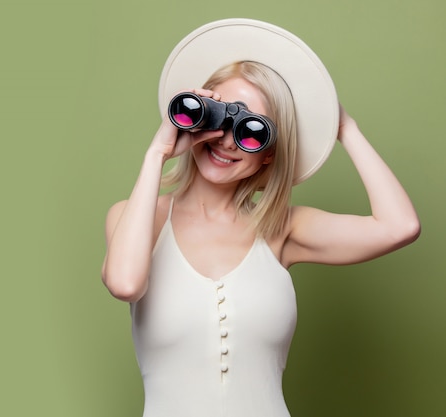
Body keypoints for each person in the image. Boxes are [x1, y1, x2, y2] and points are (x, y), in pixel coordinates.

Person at [101, 19, 420, 417]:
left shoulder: (282, 229)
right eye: (218, 117)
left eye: (251, 130)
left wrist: (343, 126)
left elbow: (400, 226)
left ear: (268, 152)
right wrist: (157, 153)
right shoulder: (137, 219)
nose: (226, 140)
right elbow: (125, 283)